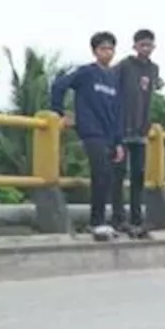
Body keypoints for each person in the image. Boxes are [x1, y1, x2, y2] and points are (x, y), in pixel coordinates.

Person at [50, 31, 123, 242]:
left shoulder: (113, 78)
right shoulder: (86, 72)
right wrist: (59, 112)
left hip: (109, 135)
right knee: (100, 173)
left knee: (108, 177)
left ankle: (102, 221)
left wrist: (118, 142)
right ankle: (96, 223)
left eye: (110, 49)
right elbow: (59, 85)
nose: (107, 53)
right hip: (91, 131)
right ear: (95, 51)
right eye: (103, 49)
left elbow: (117, 111)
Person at [112, 29, 163, 238]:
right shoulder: (124, 66)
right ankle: (118, 218)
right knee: (118, 174)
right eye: (142, 45)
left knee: (138, 176)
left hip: (141, 129)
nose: (146, 49)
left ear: (154, 47)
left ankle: (137, 219)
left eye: (149, 45)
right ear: (135, 46)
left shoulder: (153, 69)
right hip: (122, 128)